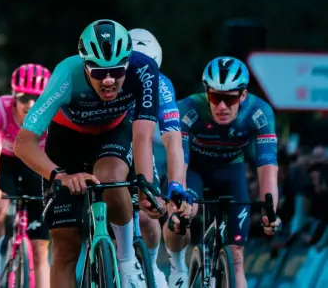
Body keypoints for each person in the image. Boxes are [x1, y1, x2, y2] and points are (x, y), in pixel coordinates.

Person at [15, 19, 184, 288]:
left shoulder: (145, 70)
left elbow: (141, 137)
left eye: (117, 71)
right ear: (85, 65)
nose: (108, 80)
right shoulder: (66, 74)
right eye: (98, 72)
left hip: (111, 134)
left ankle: (127, 261)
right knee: (65, 247)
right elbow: (23, 143)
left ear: (128, 63)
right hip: (66, 144)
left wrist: (146, 186)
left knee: (110, 175)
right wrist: (59, 175)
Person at [164, 57, 281, 288]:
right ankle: (177, 268)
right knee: (184, 212)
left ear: (243, 95)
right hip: (193, 170)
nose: (222, 107)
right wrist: (178, 201)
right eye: (215, 97)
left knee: (236, 255)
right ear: (206, 92)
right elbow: (180, 161)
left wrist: (271, 211)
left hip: (231, 172)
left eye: (230, 99)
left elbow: (268, 166)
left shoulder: (259, 113)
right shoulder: (187, 109)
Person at [0, 63, 52, 288]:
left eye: (37, 99)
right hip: (4, 163)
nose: (30, 105)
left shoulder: (56, 115)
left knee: (40, 249)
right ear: (13, 95)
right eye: (23, 98)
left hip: (36, 165)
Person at [128, 29, 186, 288]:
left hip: (139, 148)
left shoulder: (161, 85)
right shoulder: (109, 75)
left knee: (146, 215)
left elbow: (174, 142)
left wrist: (176, 185)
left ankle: (150, 266)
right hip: (108, 143)